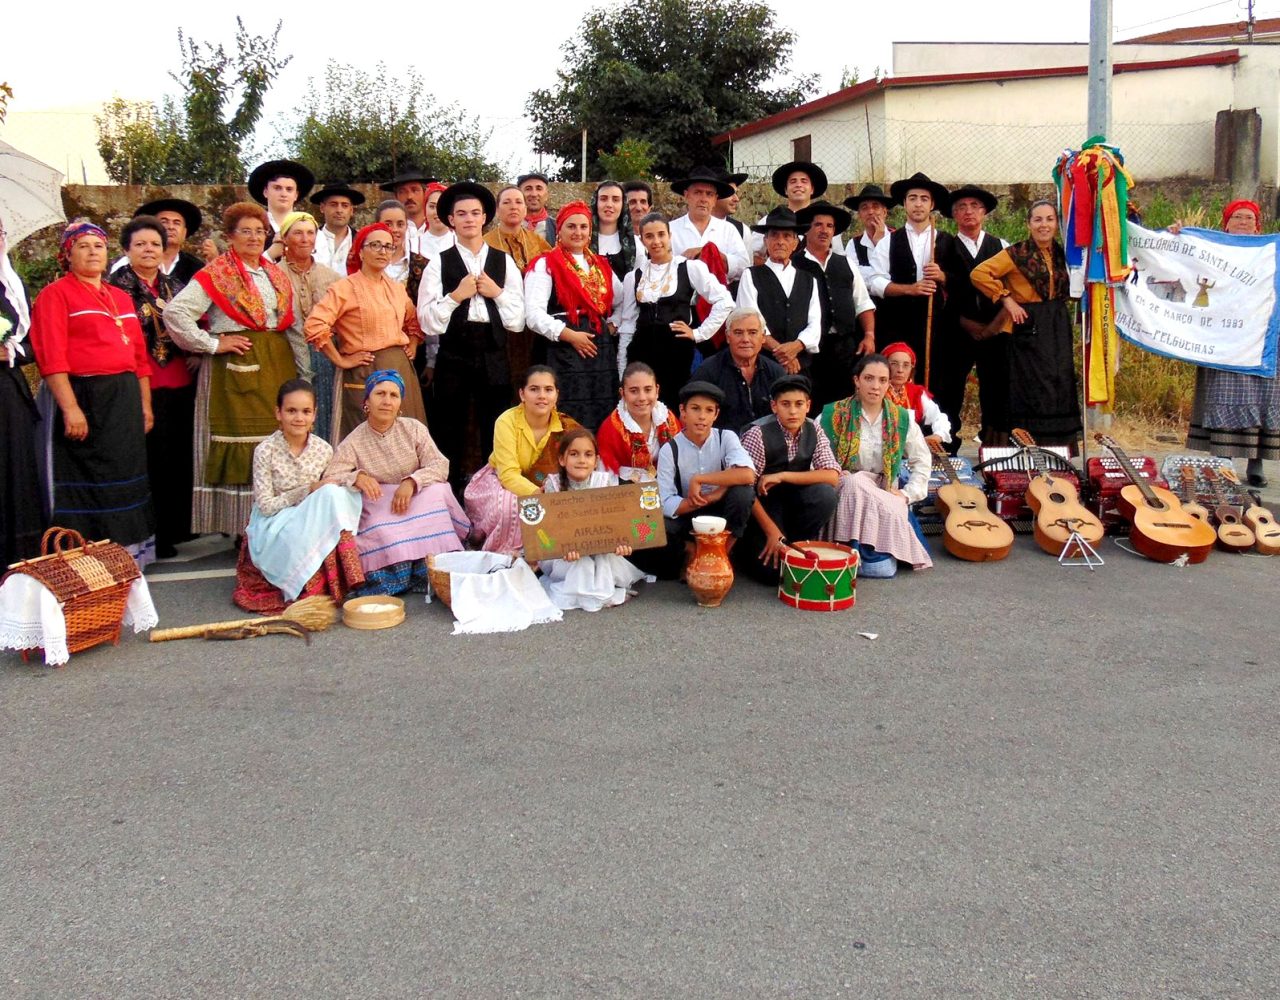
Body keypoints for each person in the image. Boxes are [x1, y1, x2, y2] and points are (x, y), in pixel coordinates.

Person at [163, 202, 298, 537]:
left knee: (275, 440)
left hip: (276, 364)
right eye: (245, 231)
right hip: (236, 369)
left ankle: (273, 524)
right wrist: (212, 343)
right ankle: (242, 529)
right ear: (229, 236)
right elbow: (176, 313)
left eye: (259, 231)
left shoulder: (273, 273)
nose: (254, 237)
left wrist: (302, 373)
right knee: (245, 446)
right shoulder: (217, 273)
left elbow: (291, 324)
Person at [29, 221, 155, 565]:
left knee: (124, 472)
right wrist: (70, 408)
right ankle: (84, 557)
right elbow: (51, 357)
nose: (92, 252)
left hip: (124, 397)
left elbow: (139, 358)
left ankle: (125, 555)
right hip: (84, 395)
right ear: (68, 255)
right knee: (88, 475)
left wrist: (145, 403)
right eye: (83, 246)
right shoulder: (56, 294)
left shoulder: (120, 296)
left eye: (98, 246)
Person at [322, 370, 469, 595]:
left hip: (414, 496)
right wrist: (358, 477)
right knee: (380, 525)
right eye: (380, 393)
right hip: (381, 502)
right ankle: (396, 577)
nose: (387, 401)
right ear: (366, 403)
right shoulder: (354, 439)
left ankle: (432, 571)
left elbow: (440, 465)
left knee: (439, 490)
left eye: (393, 395)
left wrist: (411, 482)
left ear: (400, 404)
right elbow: (331, 476)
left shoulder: (413, 429)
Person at [420, 182, 525, 493]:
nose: (468, 219)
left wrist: (497, 293)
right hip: (454, 355)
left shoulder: (503, 261)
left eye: (475, 213)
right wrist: (455, 296)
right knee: (448, 430)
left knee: (494, 429)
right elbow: (427, 320)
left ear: (484, 219)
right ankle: (449, 502)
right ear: (451, 220)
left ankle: (492, 499)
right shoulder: (439, 262)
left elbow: (518, 321)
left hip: (493, 354)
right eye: (461, 214)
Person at [231, 379, 364, 614]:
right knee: (325, 497)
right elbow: (265, 505)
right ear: (278, 413)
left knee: (335, 494)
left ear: (314, 415)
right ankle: (302, 586)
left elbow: (328, 490)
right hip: (273, 521)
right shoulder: (265, 451)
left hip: (311, 516)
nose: (299, 418)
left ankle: (350, 580)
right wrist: (306, 490)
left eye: (306, 411)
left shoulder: (323, 449)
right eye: (291, 411)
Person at [108, 215, 197, 559]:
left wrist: (199, 353)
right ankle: (153, 532)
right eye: (140, 244)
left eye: (155, 244)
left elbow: (196, 321)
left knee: (178, 454)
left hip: (180, 378)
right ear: (127, 249)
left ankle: (178, 526)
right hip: (141, 380)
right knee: (152, 458)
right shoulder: (116, 287)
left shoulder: (175, 285)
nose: (149, 250)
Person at [969, 199, 1082, 448]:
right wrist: (1006, 299)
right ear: (1028, 224)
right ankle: (1027, 445)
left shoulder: (1064, 254)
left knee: (1058, 381)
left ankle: (1056, 447)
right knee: (1031, 386)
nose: (1044, 225)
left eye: (1050, 219)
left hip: (1056, 324)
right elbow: (979, 273)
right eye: (1038, 219)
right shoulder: (1016, 253)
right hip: (1027, 326)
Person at [304, 222, 427, 441]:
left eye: (388, 246)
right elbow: (315, 324)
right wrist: (341, 360)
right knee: (363, 433)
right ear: (360, 251)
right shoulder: (345, 288)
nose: (383, 251)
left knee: (404, 433)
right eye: (376, 245)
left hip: (399, 368)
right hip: (364, 370)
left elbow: (413, 320)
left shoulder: (396, 288)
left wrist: (413, 343)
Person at [1185, 199, 1278, 485]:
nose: (1243, 222)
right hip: (1224, 337)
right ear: (1226, 223)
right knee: (1223, 393)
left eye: (1249, 218)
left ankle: (1256, 460)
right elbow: (1182, 261)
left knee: (1263, 395)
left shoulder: (1270, 253)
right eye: (1237, 217)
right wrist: (1176, 235)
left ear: (1258, 224)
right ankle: (1224, 460)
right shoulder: (1212, 252)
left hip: (1262, 337)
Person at [820, 353, 933, 573]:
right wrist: (830, 475)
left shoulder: (902, 418)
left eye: (882, 380)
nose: (875, 386)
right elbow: (813, 457)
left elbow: (922, 460)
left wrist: (907, 494)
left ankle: (865, 555)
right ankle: (854, 550)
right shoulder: (832, 414)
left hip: (883, 489)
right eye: (869, 378)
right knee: (855, 483)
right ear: (856, 380)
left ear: (889, 383)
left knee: (884, 569)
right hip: (843, 489)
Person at [617, 212, 732, 410]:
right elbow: (628, 323)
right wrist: (622, 369)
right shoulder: (633, 277)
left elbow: (725, 301)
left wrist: (698, 333)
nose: (656, 241)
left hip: (676, 352)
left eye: (661, 234)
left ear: (670, 236)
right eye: (649, 236)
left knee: (673, 407)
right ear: (642, 240)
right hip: (641, 351)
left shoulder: (690, 268)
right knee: (642, 408)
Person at [524, 201, 624, 430]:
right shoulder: (545, 263)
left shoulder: (601, 265)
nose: (578, 232)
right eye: (571, 226)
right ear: (559, 230)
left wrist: (613, 322)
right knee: (566, 405)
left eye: (583, 226)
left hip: (598, 348)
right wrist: (569, 335)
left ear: (590, 231)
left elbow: (623, 300)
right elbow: (533, 314)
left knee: (601, 402)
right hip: (561, 348)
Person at [464, 365, 581, 554]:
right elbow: (508, 474)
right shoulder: (506, 421)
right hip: (500, 480)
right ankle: (506, 556)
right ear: (522, 394)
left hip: (547, 486)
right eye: (534, 389)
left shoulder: (566, 427)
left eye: (548, 390)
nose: (542, 396)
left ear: (556, 395)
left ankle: (546, 555)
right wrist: (539, 494)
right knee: (511, 506)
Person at [738, 374, 840, 582]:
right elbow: (744, 488)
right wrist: (772, 531)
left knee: (825, 494)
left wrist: (783, 476)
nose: (793, 411)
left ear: (808, 406)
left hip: (794, 500)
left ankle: (796, 543)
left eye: (798, 404)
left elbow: (832, 476)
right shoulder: (758, 434)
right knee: (771, 576)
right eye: (786, 404)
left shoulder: (814, 429)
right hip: (763, 506)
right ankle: (752, 548)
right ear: (774, 406)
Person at [538, 427, 648, 612]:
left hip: (598, 548)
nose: (581, 460)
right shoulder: (553, 484)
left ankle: (599, 589)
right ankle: (581, 590)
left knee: (601, 560)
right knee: (581, 564)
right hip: (563, 552)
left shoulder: (603, 482)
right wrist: (563, 547)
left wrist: (621, 541)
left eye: (588, 455)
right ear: (562, 459)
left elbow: (614, 522)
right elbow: (549, 527)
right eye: (574, 454)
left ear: (596, 461)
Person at [656, 381, 756, 576]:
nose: (702, 416)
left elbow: (747, 474)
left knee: (743, 494)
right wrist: (702, 500)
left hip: (721, 513)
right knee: (657, 527)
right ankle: (691, 552)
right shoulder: (670, 449)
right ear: (683, 411)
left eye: (709, 410)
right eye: (695, 409)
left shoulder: (726, 437)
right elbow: (665, 501)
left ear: (716, 415)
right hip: (688, 514)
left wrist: (699, 479)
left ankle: (722, 555)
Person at [938, 185, 1007, 451]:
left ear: (984, 213)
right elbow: (941, 292)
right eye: (961, 207)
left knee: (995, 389)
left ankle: (994, 449)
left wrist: (993, 327)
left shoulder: (1000, 246)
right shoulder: (943, 246)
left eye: (974, 206)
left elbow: (1010, 289)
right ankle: (947, 448)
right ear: (954, 214)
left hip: (994, 330)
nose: (968, 212)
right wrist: (963, 321)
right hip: (956, 331)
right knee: (950, 390)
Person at [794, 200, 876, 405]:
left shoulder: (845, 262)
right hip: (811, 350)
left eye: (829, 226)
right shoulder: (795, 264)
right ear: (807, 229)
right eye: (818, 225)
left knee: (845, 402)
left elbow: (862, 303)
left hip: (845, 347)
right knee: (812, 401)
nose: (824, 231)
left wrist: (869, 335)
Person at [868, 172, 952, 366]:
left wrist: (942, 276)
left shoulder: (946, 241)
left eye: (924, 199)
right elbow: (875, 282)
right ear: (904, 203)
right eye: (912, 198)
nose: (918, 204)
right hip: (897, 324)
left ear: (932, 205)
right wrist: (910, 289)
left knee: (934, 377)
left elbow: (960, 281)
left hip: (936, 324)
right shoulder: (888, 241)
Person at [0, 213, 46, 565]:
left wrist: (11, 350)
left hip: (8, 389)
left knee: (15, 473)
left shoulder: (11, 284)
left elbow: (31, 345)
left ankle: (16, 559)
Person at [277, 212, 342, 442]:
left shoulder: (331, 277)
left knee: (323, 412)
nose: (305, 239)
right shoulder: (273, 275)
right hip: (284, 354)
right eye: (297, 233)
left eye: (310, 233)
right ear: (284, 238)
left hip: (323, 356)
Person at [736, 207, 821, 377]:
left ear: (796, 243)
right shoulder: (751, 275)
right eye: (774, 235)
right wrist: (784, 355)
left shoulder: (809, 280)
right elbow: (751, 320)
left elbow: (814, 324)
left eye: (787, 236)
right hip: (763, 365)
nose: (780, 241)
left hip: (801, 366)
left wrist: (796, 346)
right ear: (766, 240)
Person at [483, 185, 550, 388]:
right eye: (507, 202)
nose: (513, 207)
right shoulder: (486, 243)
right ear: (497, 208)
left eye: (518, 202)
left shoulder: (537, 241)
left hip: (532, 324)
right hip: (499, 323)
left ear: (524, 208)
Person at [689, 307, 786, 432]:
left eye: (752, 332)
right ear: (728, 337)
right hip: (721, 447)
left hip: (769, 446)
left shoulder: (776, 373)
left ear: (763, 337)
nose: (745, 339)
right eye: (738, 333)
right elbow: (693, 416)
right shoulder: (707, 372)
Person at [596, 361, 681, 481]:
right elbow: (605, 478)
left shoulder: (669, 420)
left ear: (657, 390)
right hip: (625, 492)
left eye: (648, 390)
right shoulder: (610, 428)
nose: (642, 398)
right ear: (622, 393)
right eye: (634, 391)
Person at [669, 167, 750, 285]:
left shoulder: (728, 230)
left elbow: (744, 267)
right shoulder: (670, 230)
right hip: (680, 300)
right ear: (686, 195)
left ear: (715, 199)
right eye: (697, 193)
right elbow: (662, 267)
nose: (703, 199)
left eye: (709, 194)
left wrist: (709, 253)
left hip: (721, 299)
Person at [752, 160, 843, 260]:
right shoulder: (768, 220)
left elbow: (838, 256)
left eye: (804, 181)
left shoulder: (826, 222)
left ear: (812, 189)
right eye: (793, 181)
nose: (798, 185)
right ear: (786, 190)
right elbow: (754, 254)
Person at [110, 198, 207, 283]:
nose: (170, 227)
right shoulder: (125, 264)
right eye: (164, 222)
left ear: (185, 232)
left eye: (177, 223)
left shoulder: (196, 267)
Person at [882, 341, 952, 448]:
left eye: (906, 365)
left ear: (911, 369)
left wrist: (938, 435)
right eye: (894, 364)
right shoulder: (875, 391)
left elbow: (939, 417)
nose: (900, 370)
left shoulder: (916, 393)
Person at [248, 159, 315, 256]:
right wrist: (271, 254)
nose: (283, 194)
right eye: (277, 188)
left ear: (296, 195)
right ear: (265, 192)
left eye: (289, 189)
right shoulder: (252, 228)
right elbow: (245, 266)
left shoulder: (311, 228)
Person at [843, 184, 895, 289]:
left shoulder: (898, 239)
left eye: (875, 207)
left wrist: (880, 243)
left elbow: (899, 274)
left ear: (884, 212)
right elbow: (854, 278)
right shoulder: (853, 245)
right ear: (859, 215)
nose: (870, 212)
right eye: (864, 208)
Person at [379, 168, 439, 256]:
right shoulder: (388, 231)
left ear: (425, 193)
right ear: (396, 196)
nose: (409, 196)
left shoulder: (439, 227)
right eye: (402, 192)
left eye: (415, 190)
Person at [309, 182, 364, 274]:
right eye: (333, 205)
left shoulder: (361, 242)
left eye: (345, 205)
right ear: (322, 208)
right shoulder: (310, 239)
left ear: (351, 210)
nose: (339, 210)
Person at [591, 181, 634, 278]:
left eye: (615, 200)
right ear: (595, 202)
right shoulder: (583, 241)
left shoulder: (635, 244)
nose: (609, 204)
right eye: (603, 199)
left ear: (623, 205)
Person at [420, 182, 457, 260]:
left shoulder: (460, 243)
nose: (437, 212)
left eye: (442, 206)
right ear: (424, 208)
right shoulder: (412, 245)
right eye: (432, 206)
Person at [519, 172, 556, 245]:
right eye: (528, 189)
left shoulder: (557, 228)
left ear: (546, 195)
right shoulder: (509, 226)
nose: (534, 194)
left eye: (539, 189)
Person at [623, 180, 653, 261]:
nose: (639, 208)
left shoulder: (659, 239)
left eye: (643, 202)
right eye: (632, 202)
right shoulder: (617, 241)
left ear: (649, 208)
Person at [713, 172, 749, 239]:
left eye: (736, 193)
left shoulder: (742, 230)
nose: (736, 199)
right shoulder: (690, 227)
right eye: (730, 193)